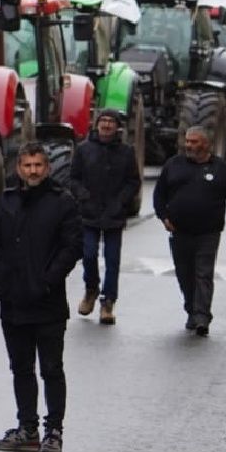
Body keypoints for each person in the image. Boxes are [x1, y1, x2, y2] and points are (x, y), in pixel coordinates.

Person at [0, 142, 84, 452]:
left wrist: (47, 281)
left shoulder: (62, 202)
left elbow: (72, 248)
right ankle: (27, 427)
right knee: (21, 368)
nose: (32, 171)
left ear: (47, 167)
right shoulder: (8, 201)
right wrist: (1, 280)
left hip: (48, 305)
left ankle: (53, 430)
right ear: (19, 169)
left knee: (52, 369)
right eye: (27, 166)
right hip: (13, 304)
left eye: (38, 166)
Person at [153, 125, 226, 337]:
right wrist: (163, 217)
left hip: (208, 233)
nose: (189, 145)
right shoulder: (173, 165)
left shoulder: (222, 169)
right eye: (187, 141)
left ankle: (202, 316)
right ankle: (192, 310)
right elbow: (159, 195)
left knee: (203, 273)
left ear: (206, 144)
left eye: (194, 142)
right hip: (179, 231)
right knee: (184, 274)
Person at [70, 108, 142, 325]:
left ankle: (108, 301)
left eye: (111, 121)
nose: (107, 125)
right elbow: (74, 178)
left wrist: (121, 202)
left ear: (117, 126)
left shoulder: (126, 152)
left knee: (112, 260)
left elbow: (133, 181)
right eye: (103, 121)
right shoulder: (83, 150)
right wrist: (83, 196)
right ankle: (91, 289)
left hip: (114, 214)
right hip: (89, 213)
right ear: (96, 124)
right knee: (89, 254)